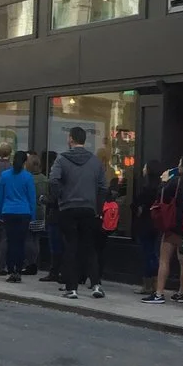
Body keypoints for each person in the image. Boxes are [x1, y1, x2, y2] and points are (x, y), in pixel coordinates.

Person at [48, 127, 110, 299]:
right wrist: (97, 207)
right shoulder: (95, 161)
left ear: (71, 139)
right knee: (90, 247)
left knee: (70, 247)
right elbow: (103, 187)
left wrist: (59, 197)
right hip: (89, 209)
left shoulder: (62, 159)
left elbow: (53, 180)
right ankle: (96, 285)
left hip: (68, 208)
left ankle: (72, 288)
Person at [150, 158, 183, 304]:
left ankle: (159, 293)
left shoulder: (176, 182)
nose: (178, 166)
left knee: (164, 260)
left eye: (180, 163)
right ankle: (182, 293)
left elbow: (162, 195)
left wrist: (164, 182)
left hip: (173, 225)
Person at [0, 150, 37, 284]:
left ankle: (10, 269)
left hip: (8, 211)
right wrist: (33, 215)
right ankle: (18, 270)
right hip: (24, 212)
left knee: (10, 241)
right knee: (20, 242)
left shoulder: (4, 175)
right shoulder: (28, 177)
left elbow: (0, 196)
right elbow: (32, 198)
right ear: (25, 162)